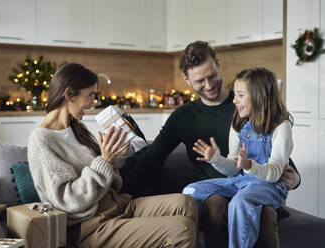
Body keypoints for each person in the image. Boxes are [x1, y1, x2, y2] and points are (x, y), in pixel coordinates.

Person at [120, 41, 301, 248]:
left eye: (212, 76)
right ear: (186, 79)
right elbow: (152, 157)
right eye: (199, 81)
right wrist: (123, 193)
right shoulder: (183, 117)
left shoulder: (246, 105)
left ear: (218, 64)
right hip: (217, 191)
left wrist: (295, 180)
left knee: (263, 210)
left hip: (256, 186)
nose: (208, 85)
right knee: (215, 205)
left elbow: (276, 157)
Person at [27, 63, 199, 248]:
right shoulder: (41, 140)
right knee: (181, 229)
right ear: (69, 94)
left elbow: (103, 168)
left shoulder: (77, 129)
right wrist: (105, 159)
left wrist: (116, 156)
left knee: (186, 203)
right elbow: (68, 199)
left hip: (118, 205)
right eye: (90, 95)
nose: (93, 102)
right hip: (91, 226)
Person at [182, 67, 293, 248]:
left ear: (259, 96)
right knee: (190, 191)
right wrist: (216, 159)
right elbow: (234, 168)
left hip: (270, 186)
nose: (234, 100)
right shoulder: (239, 123)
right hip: (240, 182)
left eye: (240, 95)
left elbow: (274, 173)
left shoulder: (281, 127)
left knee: (240, 202)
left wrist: (250, 165)